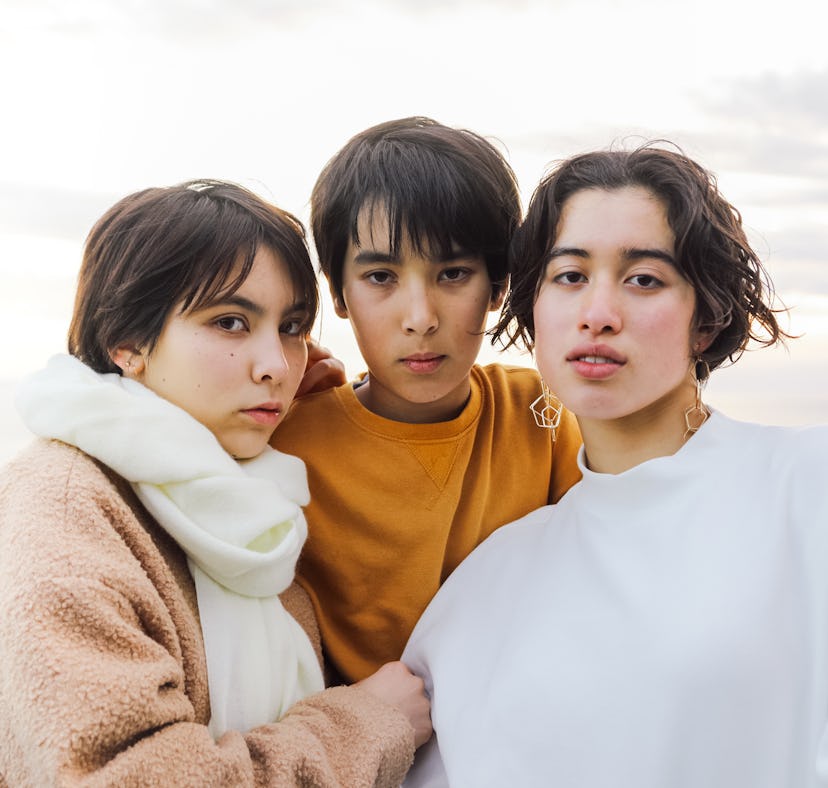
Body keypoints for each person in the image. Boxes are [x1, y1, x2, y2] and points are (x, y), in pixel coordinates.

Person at [402, 144, 828, 787]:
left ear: (705, 320)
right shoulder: (484, 587)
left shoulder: (804, 486)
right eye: (570, 276)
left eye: (644, 279)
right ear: (533, 308)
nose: (597, 315)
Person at [0, 179, 431, 787]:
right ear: (126, 342)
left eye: (292, 327)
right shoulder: (66, 510)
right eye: (230, 322)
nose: (276, 366)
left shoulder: (245, 502)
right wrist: (364, 725)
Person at [271, 117, 583, 684]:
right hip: (358, 745)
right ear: (338, 292)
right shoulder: (287, 445)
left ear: (498, 285)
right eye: (381, 277)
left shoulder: (545, 414)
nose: (421, 318)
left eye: (454, 273)